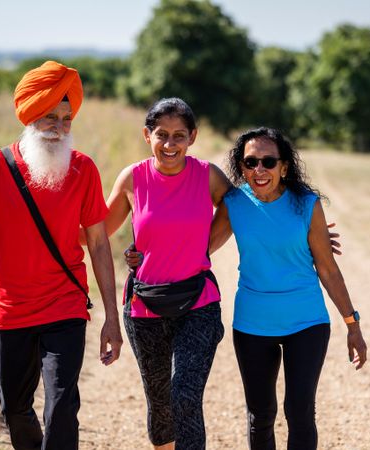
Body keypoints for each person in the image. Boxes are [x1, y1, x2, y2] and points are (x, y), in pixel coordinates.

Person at [0, 60, 123, 450]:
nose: (59, 126)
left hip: (65, 306)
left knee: (60, 408)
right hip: (11, 310)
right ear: (29, 115)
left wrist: (111, 317)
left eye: (66, 118)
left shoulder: (84, 169)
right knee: (13, 407)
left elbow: (100, 244)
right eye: (49, 116)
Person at [208, 127, 368, 450]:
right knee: (261, 415)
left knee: (299, 411)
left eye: (268, 161)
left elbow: (327, 268)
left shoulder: (307, 205)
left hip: (306, 323)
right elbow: (199, 249)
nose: (259, 170)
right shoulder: (234, 204)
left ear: (284, 167)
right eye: (251, 162)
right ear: (241, 168)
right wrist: (144, 254)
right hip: (253, 325)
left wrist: (352, 324)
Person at [103, 97, 230, 450]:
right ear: (148, 135)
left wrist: (305, 229)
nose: (170, 144)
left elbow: (242, 210)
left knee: (184, 395)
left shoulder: (208, 176)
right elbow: (97, 231)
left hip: (199, 303)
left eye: (179, 136)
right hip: (144, 306)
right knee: (160, 403)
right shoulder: (133, 178)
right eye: (162, 135)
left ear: (192, 137)